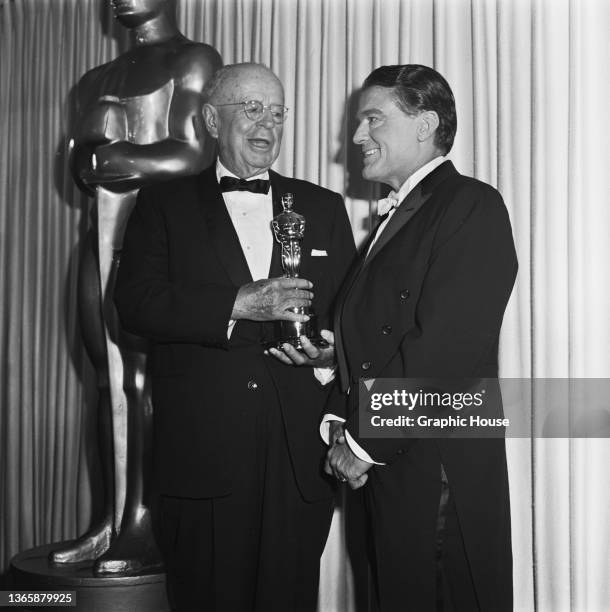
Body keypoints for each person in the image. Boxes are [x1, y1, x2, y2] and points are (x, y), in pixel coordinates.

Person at [114, 62, 356, 611]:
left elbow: (349, 317)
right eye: (250, 108)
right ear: (210, 120)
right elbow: (134, 304)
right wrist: (236, 303)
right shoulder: (162, 204)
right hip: (202, 458)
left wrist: (330, 353)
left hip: (298, 460)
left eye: (276, 111)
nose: (265, 122)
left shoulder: (322, 207)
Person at [324, 65, 517, 611]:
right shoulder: (404, 216)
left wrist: (362, 440)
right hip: (394, 467)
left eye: (373, 119)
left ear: (425, 124)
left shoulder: (471, 206)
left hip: (437, 470)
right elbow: (381, 343)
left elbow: (446, 350)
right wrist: (329, 369)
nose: (358, 136)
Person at [52, 0, 222, 574]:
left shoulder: (194, 60)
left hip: (157, 243)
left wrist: (118, 153)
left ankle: (143, 521)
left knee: (143, 381)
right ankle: (107, 521)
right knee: (107, 381)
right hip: (97, 234)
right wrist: (92, 152)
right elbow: (77, 166)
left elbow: (196, 151)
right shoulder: (95, 79)